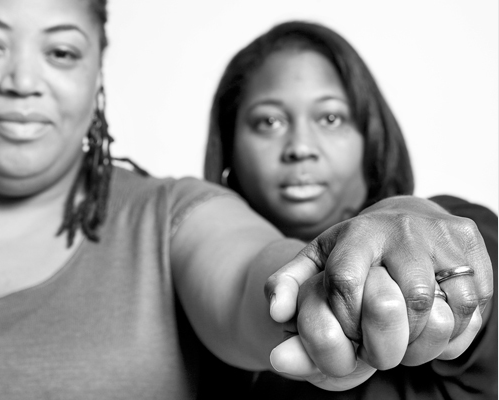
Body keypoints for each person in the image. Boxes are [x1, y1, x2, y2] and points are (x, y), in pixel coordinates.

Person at [0, 1, 492, 398]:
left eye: (61, 51)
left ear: (96, 71)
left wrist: (398, 227)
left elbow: (253, 278)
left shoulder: (171, 218)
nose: (22, 81)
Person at [203, 21, 497, 399]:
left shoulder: (453, 224)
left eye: (330, 118)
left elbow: (473, 262)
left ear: (370, 139)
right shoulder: (196, 281)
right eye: (269, 122)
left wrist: (408, 223)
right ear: (229, 149)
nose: (300, 147)